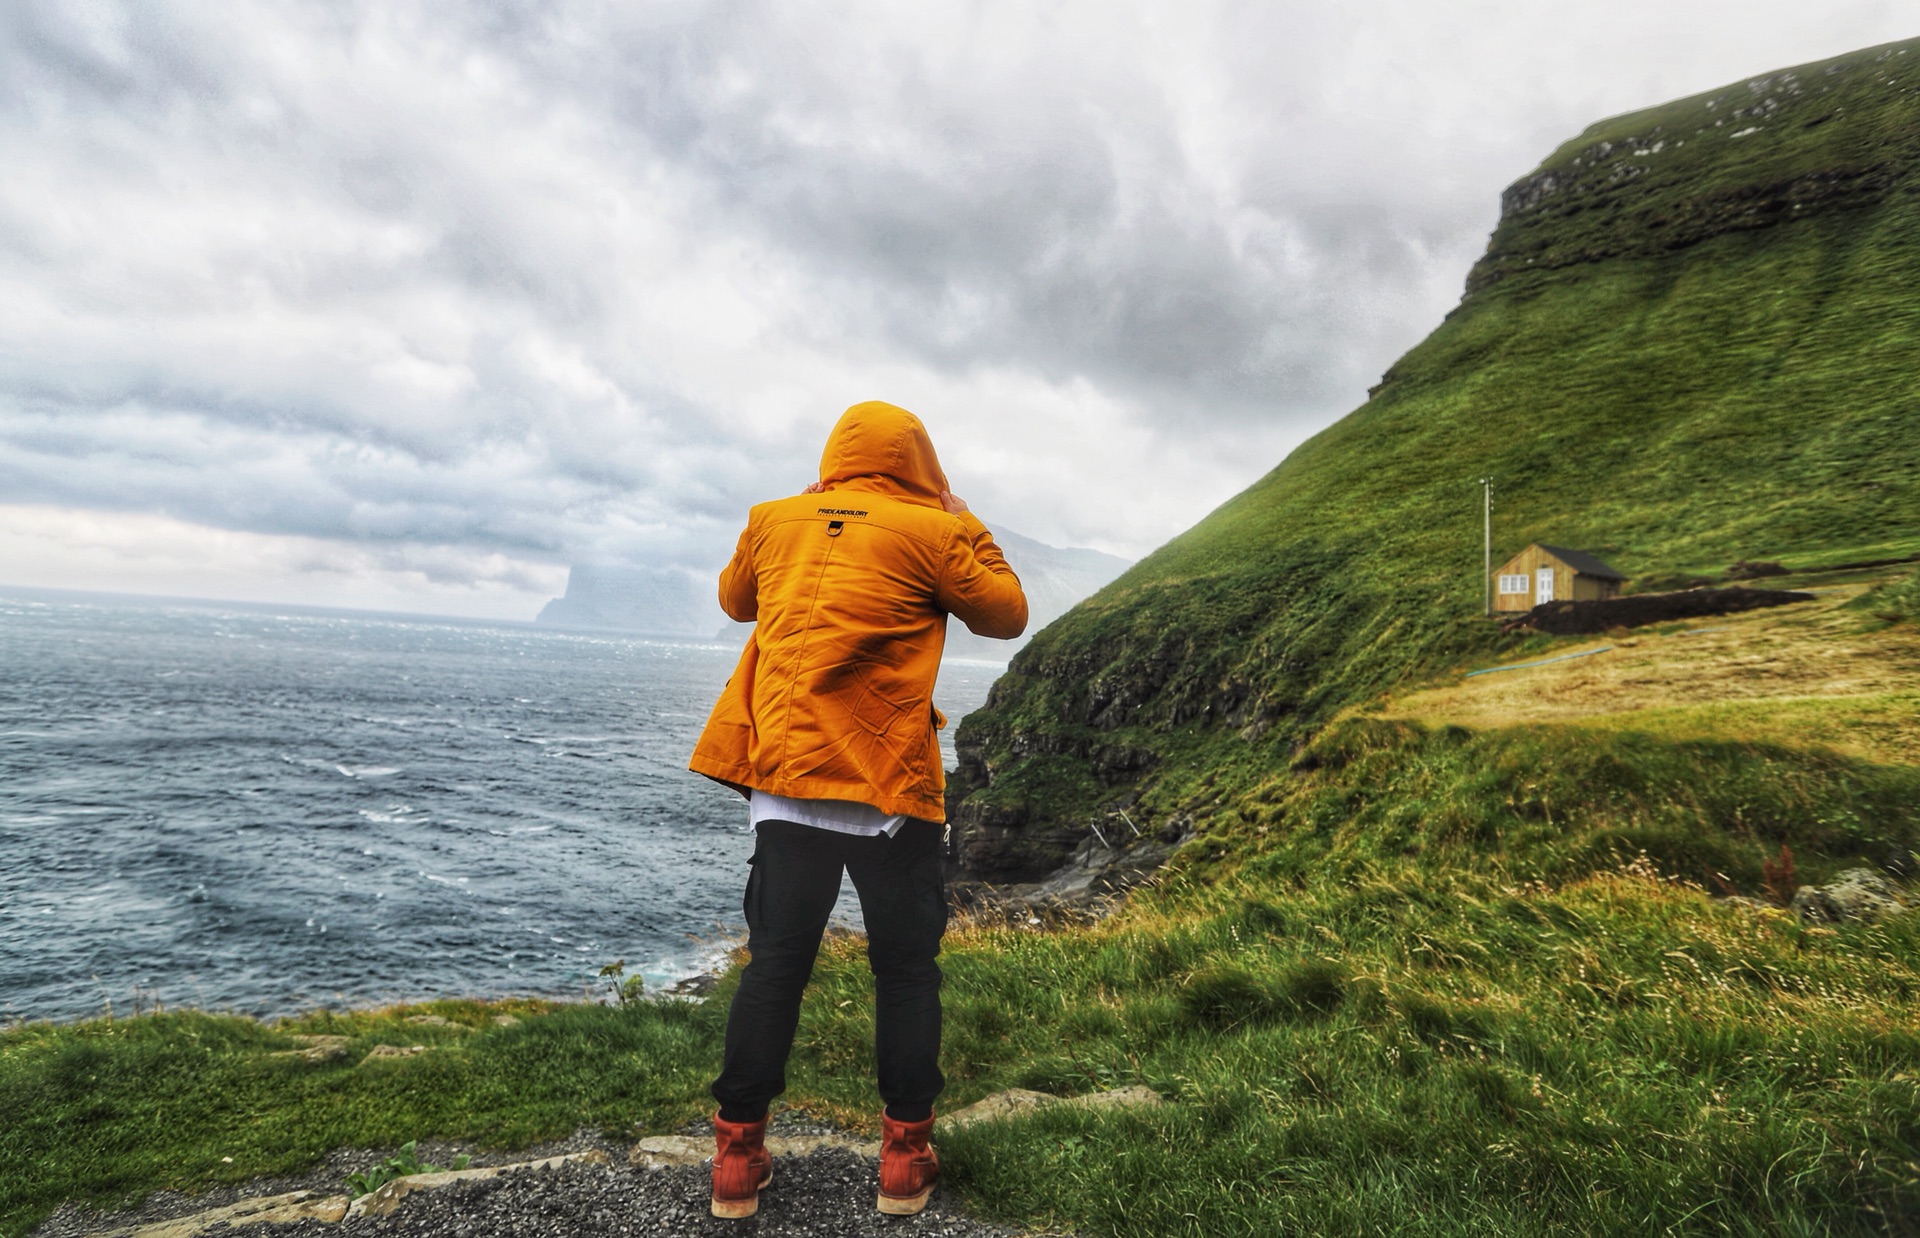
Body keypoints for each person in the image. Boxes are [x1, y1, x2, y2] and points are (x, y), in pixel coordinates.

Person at [688, 400, 1028, 1219]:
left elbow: (739, 600)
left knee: (774, 969)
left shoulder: (774, 518)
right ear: (921, 461)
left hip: (786, 781)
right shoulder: (936, 531)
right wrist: (962, 516)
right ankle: (904, 1164)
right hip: (884, 785)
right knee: (906, 972)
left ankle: (737, 1161)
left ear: (836, 454)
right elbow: (1006, 614)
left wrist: (812, 507)